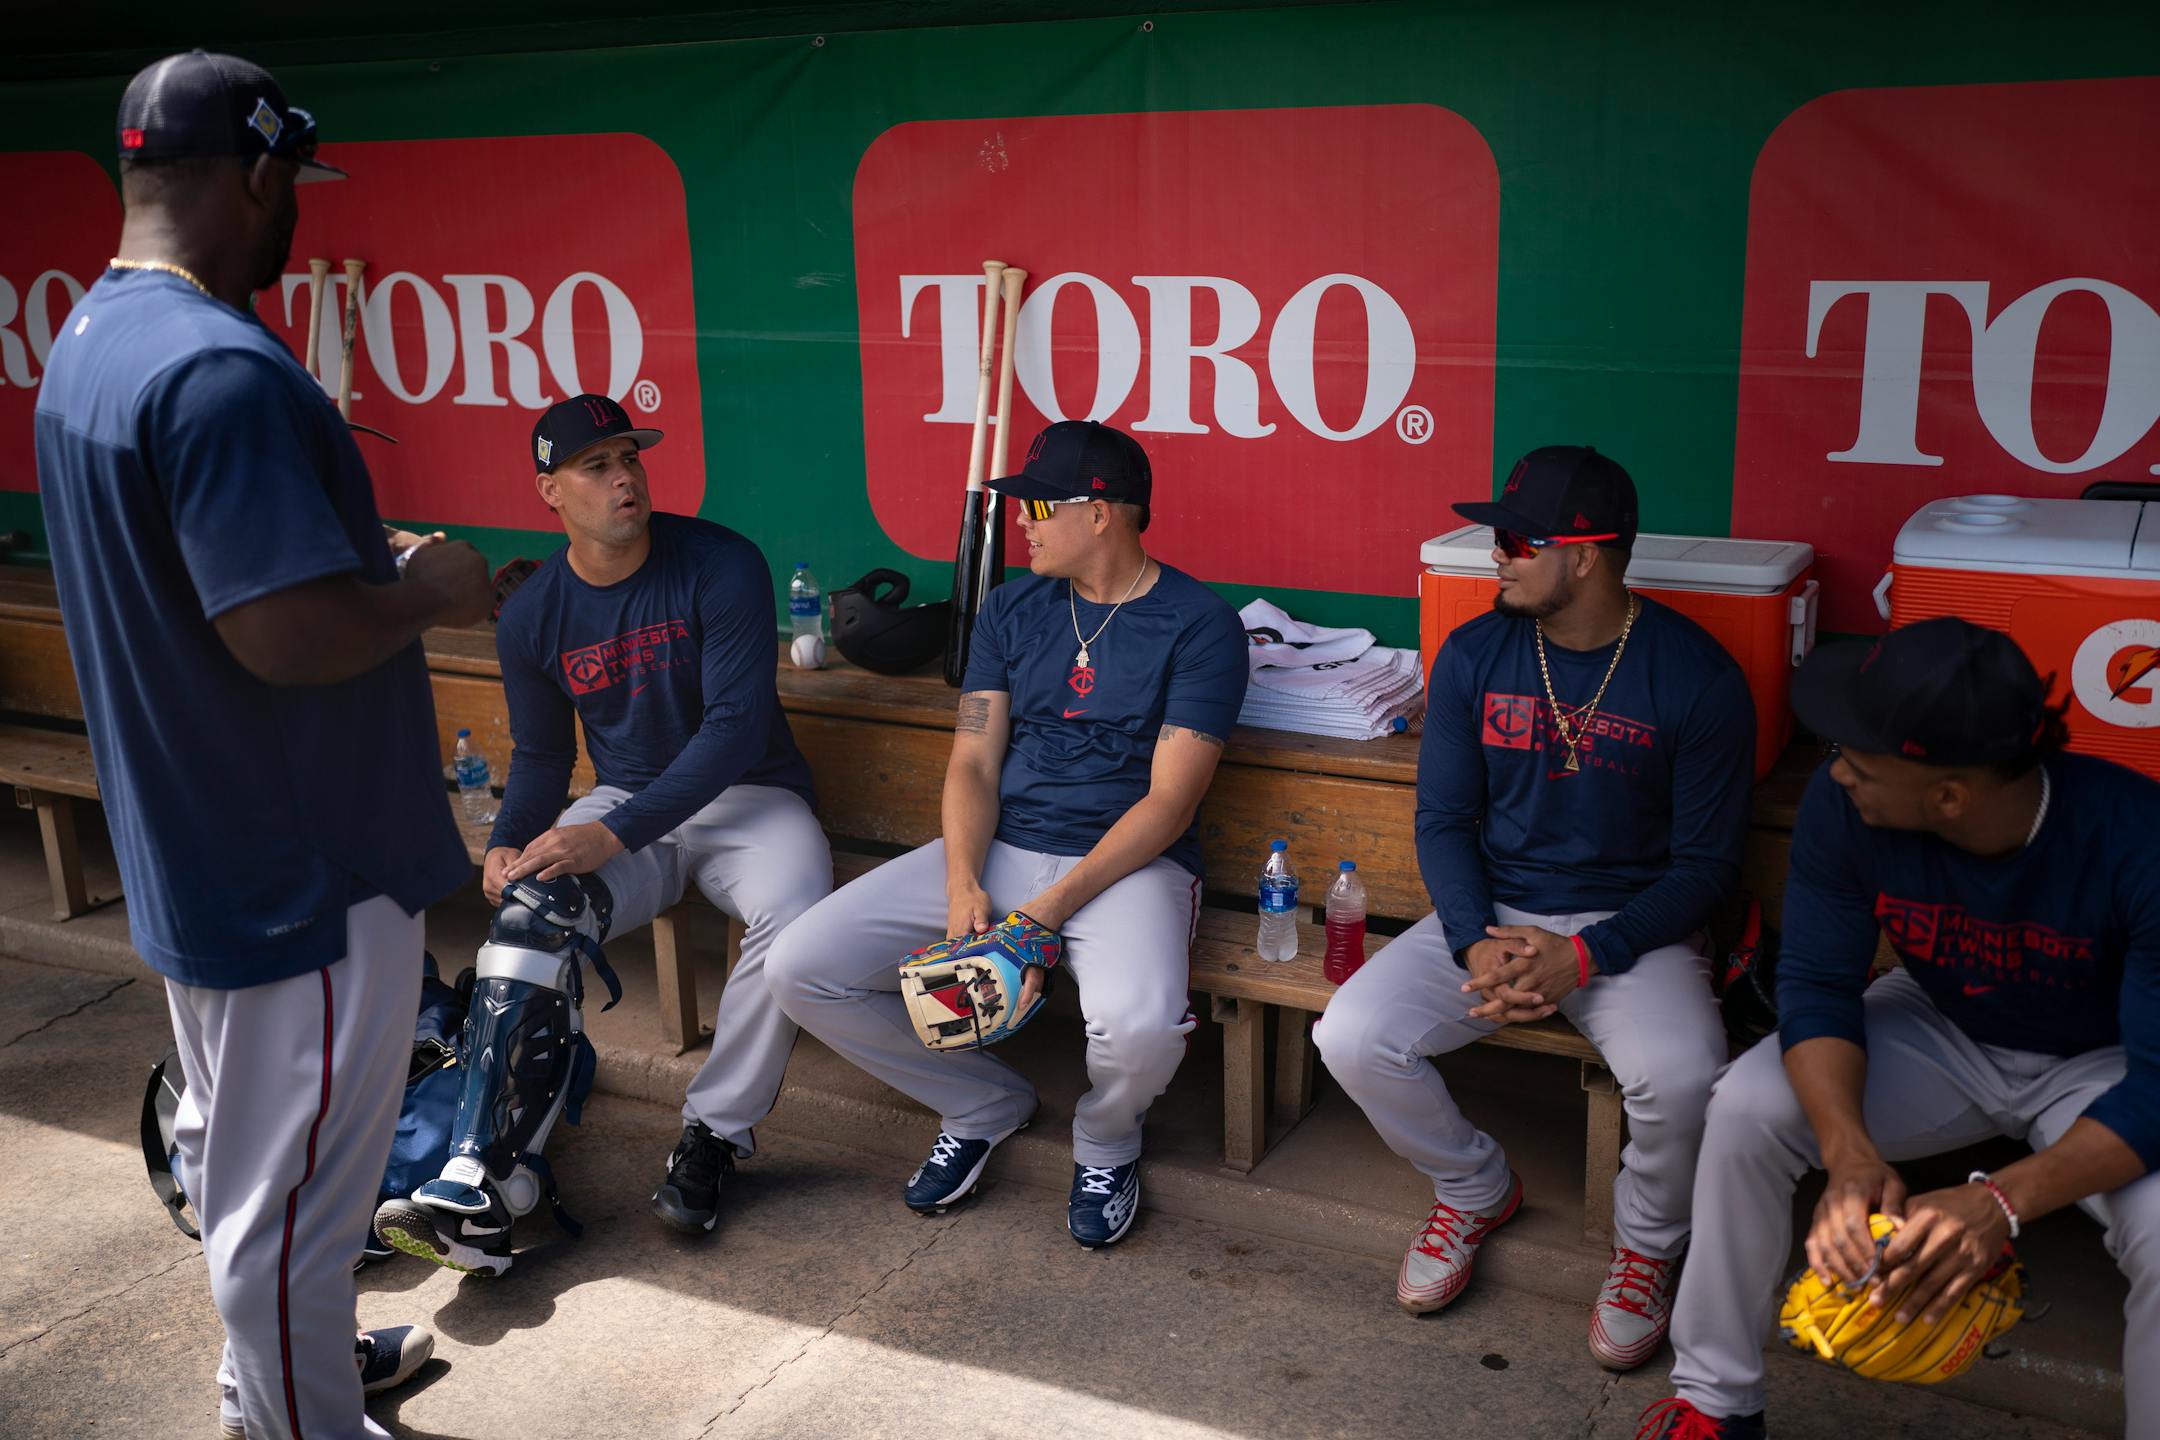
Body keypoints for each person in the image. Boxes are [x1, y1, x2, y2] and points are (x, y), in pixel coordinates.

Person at [34, 50, 492, 1440]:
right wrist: (431, 586)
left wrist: (359, 565)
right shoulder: (220, 367)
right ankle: (290, 1419)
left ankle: (273, 1375)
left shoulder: (91, 337)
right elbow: (284, 636)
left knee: (237, 1151)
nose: (299, 212)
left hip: (195, 830)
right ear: (252, 173)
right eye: (292, 180)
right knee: (293, 1205)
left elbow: (230, 587)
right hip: (303, 866)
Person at [1639, 619, 2160, 1438]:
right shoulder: (1846, 806)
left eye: (1859, 759)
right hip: (1942, 1021)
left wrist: (1999, 1204)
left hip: (2105, 1063)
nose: (1837, 770)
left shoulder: (2137, 839)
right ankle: (1715, 1402)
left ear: (1948, 796)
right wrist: (1848, 1154)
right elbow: (1817, 984)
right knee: (1747, 1104)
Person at [1313, 446, 1755, 1368]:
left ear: (1586, 555)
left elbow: (1707, 867)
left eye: (1517, 539)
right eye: (1495, 537)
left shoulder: (1697, 675)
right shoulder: (1478, 649)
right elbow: (1444, 820)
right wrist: (1473, 941)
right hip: (1496, 909)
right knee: (1350, 1033)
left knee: (1681, 1075)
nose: (1497, 555)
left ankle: (1646, 1250)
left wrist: (1587, 956)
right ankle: (1475, 1189)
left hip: (1635, 926)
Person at [373, 393, 831, 1274]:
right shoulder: (534, 610)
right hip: (626, 803)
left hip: (751, 796)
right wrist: (510, 840)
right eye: (597, 466)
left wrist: (611, 834)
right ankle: (485, 1171)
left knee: (796, 919)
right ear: (551, 491)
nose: (624, 479)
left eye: (631, 459)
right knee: (527, 915)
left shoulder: (721, 561)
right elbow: (543, 756)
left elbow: (734, 727)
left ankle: (714, 1131)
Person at [768, 420, 1247, 1247]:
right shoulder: (1012, 607)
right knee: (801, 967)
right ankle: (980, 1101)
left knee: (1138, 1030)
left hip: (1129, 866)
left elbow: (1167, 805)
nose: (1020, 521)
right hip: (1005, 846)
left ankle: (1105, 1139)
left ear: (1100, 513)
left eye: (1037, 506)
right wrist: (963, 883)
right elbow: (973, 767)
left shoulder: (1198, 624)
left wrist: (1044, 915)